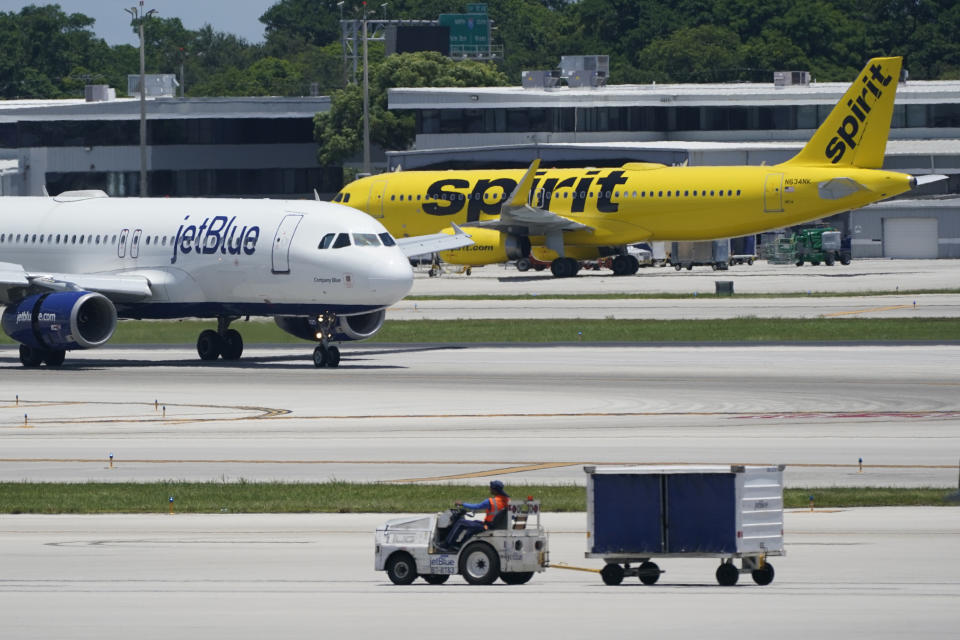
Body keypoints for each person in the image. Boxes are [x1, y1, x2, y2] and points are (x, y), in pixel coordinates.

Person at [441, 480, 510, 550]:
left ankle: (447, 544)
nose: (490, 489)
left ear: (495, 490)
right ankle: (459, 545)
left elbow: (476, 507)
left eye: (491, 488)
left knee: (461, 522)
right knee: (471, 529)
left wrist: (462, 504)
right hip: (496, 526)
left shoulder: (491, 501)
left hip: (487, 526)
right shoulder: (507, 500)